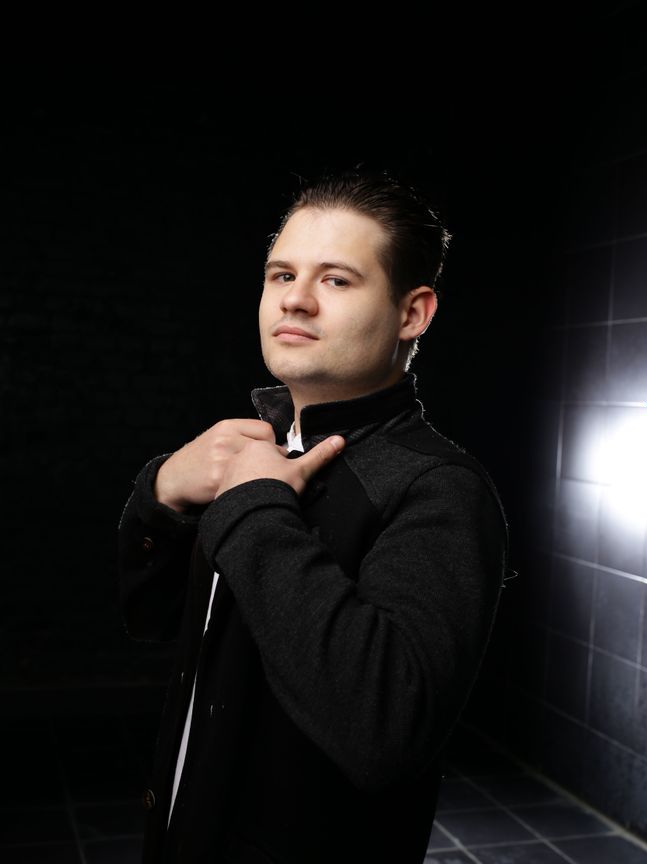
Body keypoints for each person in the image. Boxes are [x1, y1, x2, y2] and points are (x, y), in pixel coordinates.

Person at [118, 168, 509, 864]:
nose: (294, 298)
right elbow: (148, 621)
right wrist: (162, 492)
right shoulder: (250, 449)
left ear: (412, 314)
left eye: (336, 279)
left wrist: (253, 507)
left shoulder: (440, 490)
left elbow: (384, 732)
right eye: (281, 274)